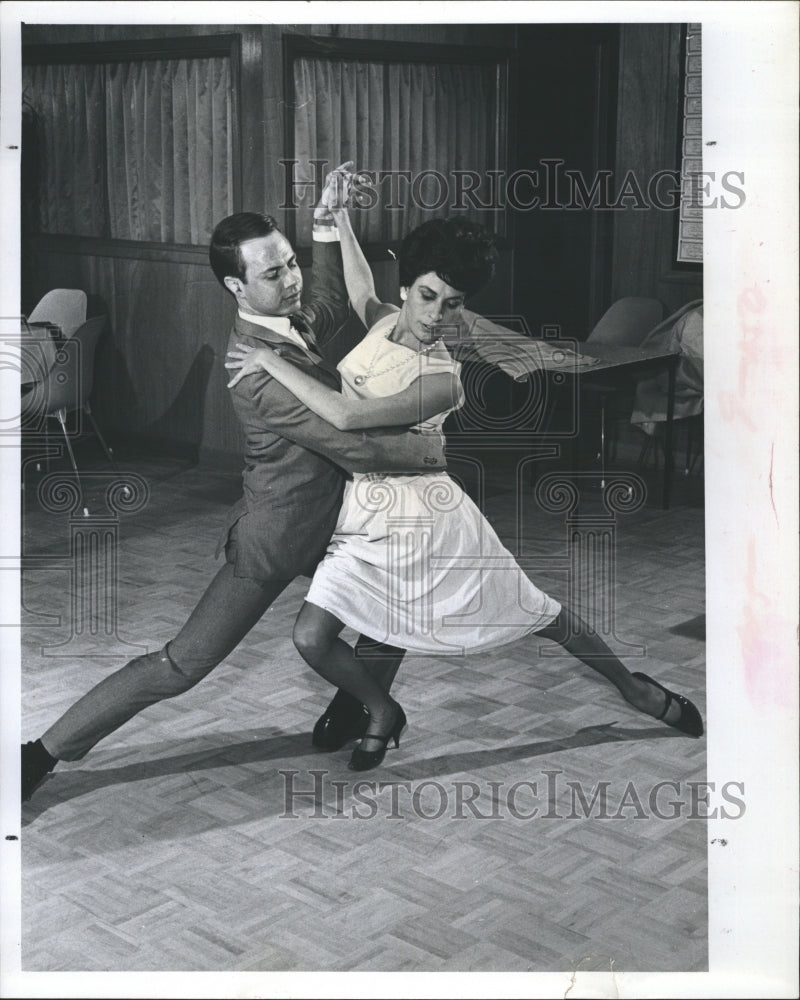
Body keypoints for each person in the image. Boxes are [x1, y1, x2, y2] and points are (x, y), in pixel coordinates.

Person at [225, 179, 704, 772]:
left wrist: (270, 359)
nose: (435, 316)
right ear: (406, 288)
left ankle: (636, 691)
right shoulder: (380, 321)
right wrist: (336, 219)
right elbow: (358, 286)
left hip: (430, 522)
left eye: (453, 304)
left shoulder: (442, 376)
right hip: (365, 515)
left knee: (542, 616)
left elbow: (348, 417)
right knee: (312, 638)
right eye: (426, 296)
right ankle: (380, 710)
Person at [20, 163, 446, 803]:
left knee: (404, 593)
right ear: (236, 286)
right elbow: (349, 444)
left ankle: (364, 705)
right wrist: (427, 451)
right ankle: (40, 754)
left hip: (339, 519)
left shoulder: (289, 315)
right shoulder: (252, 368)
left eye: (290, 262)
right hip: (281, 537)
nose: (292, 277)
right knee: (180, 665)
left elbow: (326, 293)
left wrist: (327, 217)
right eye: (273, 273)